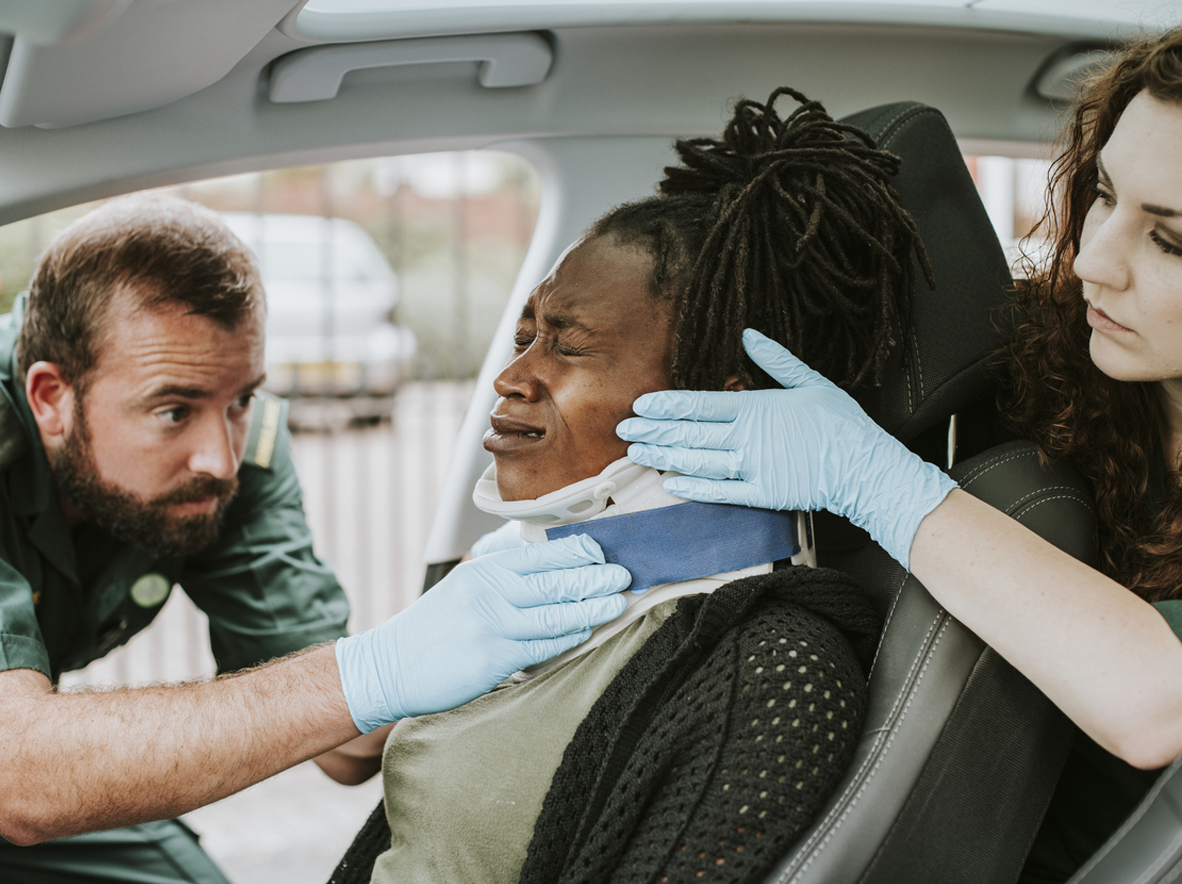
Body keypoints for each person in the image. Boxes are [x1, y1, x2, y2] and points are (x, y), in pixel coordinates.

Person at [617, 12, 1182, 881]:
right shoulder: (1033, 357)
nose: (1091, 261)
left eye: (1172, 241)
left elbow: (1169, 705)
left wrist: (878, 482)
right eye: (1103, 194)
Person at [330, 88, 924, 884]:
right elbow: (349, 749)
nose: (510, 377)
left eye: (567, 346)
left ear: (718, 394)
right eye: (523, 338)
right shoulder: (510, 569)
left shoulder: (771, 669)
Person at [0, 193, 630, 884]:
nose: (221, 459)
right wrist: (372, 670)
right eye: (173, 410)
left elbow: (346, 743)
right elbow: (19, 776)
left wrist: (492, 596)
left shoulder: (233, 454)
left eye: (242, 399)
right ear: (50, 398)